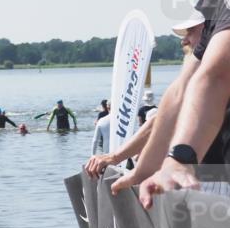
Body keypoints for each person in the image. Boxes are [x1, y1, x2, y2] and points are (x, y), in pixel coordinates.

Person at [112, 0, 230, 206]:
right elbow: (182, 90)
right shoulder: (215, 1)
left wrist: (178, 159)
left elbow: (217, 75)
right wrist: (145, 170)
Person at [85, 16, 208, 178]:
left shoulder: (210, 75)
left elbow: (163, 120)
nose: (183, 41)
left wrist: (115, 157)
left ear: (210, 31)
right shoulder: (206, 72)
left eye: (190, 31)